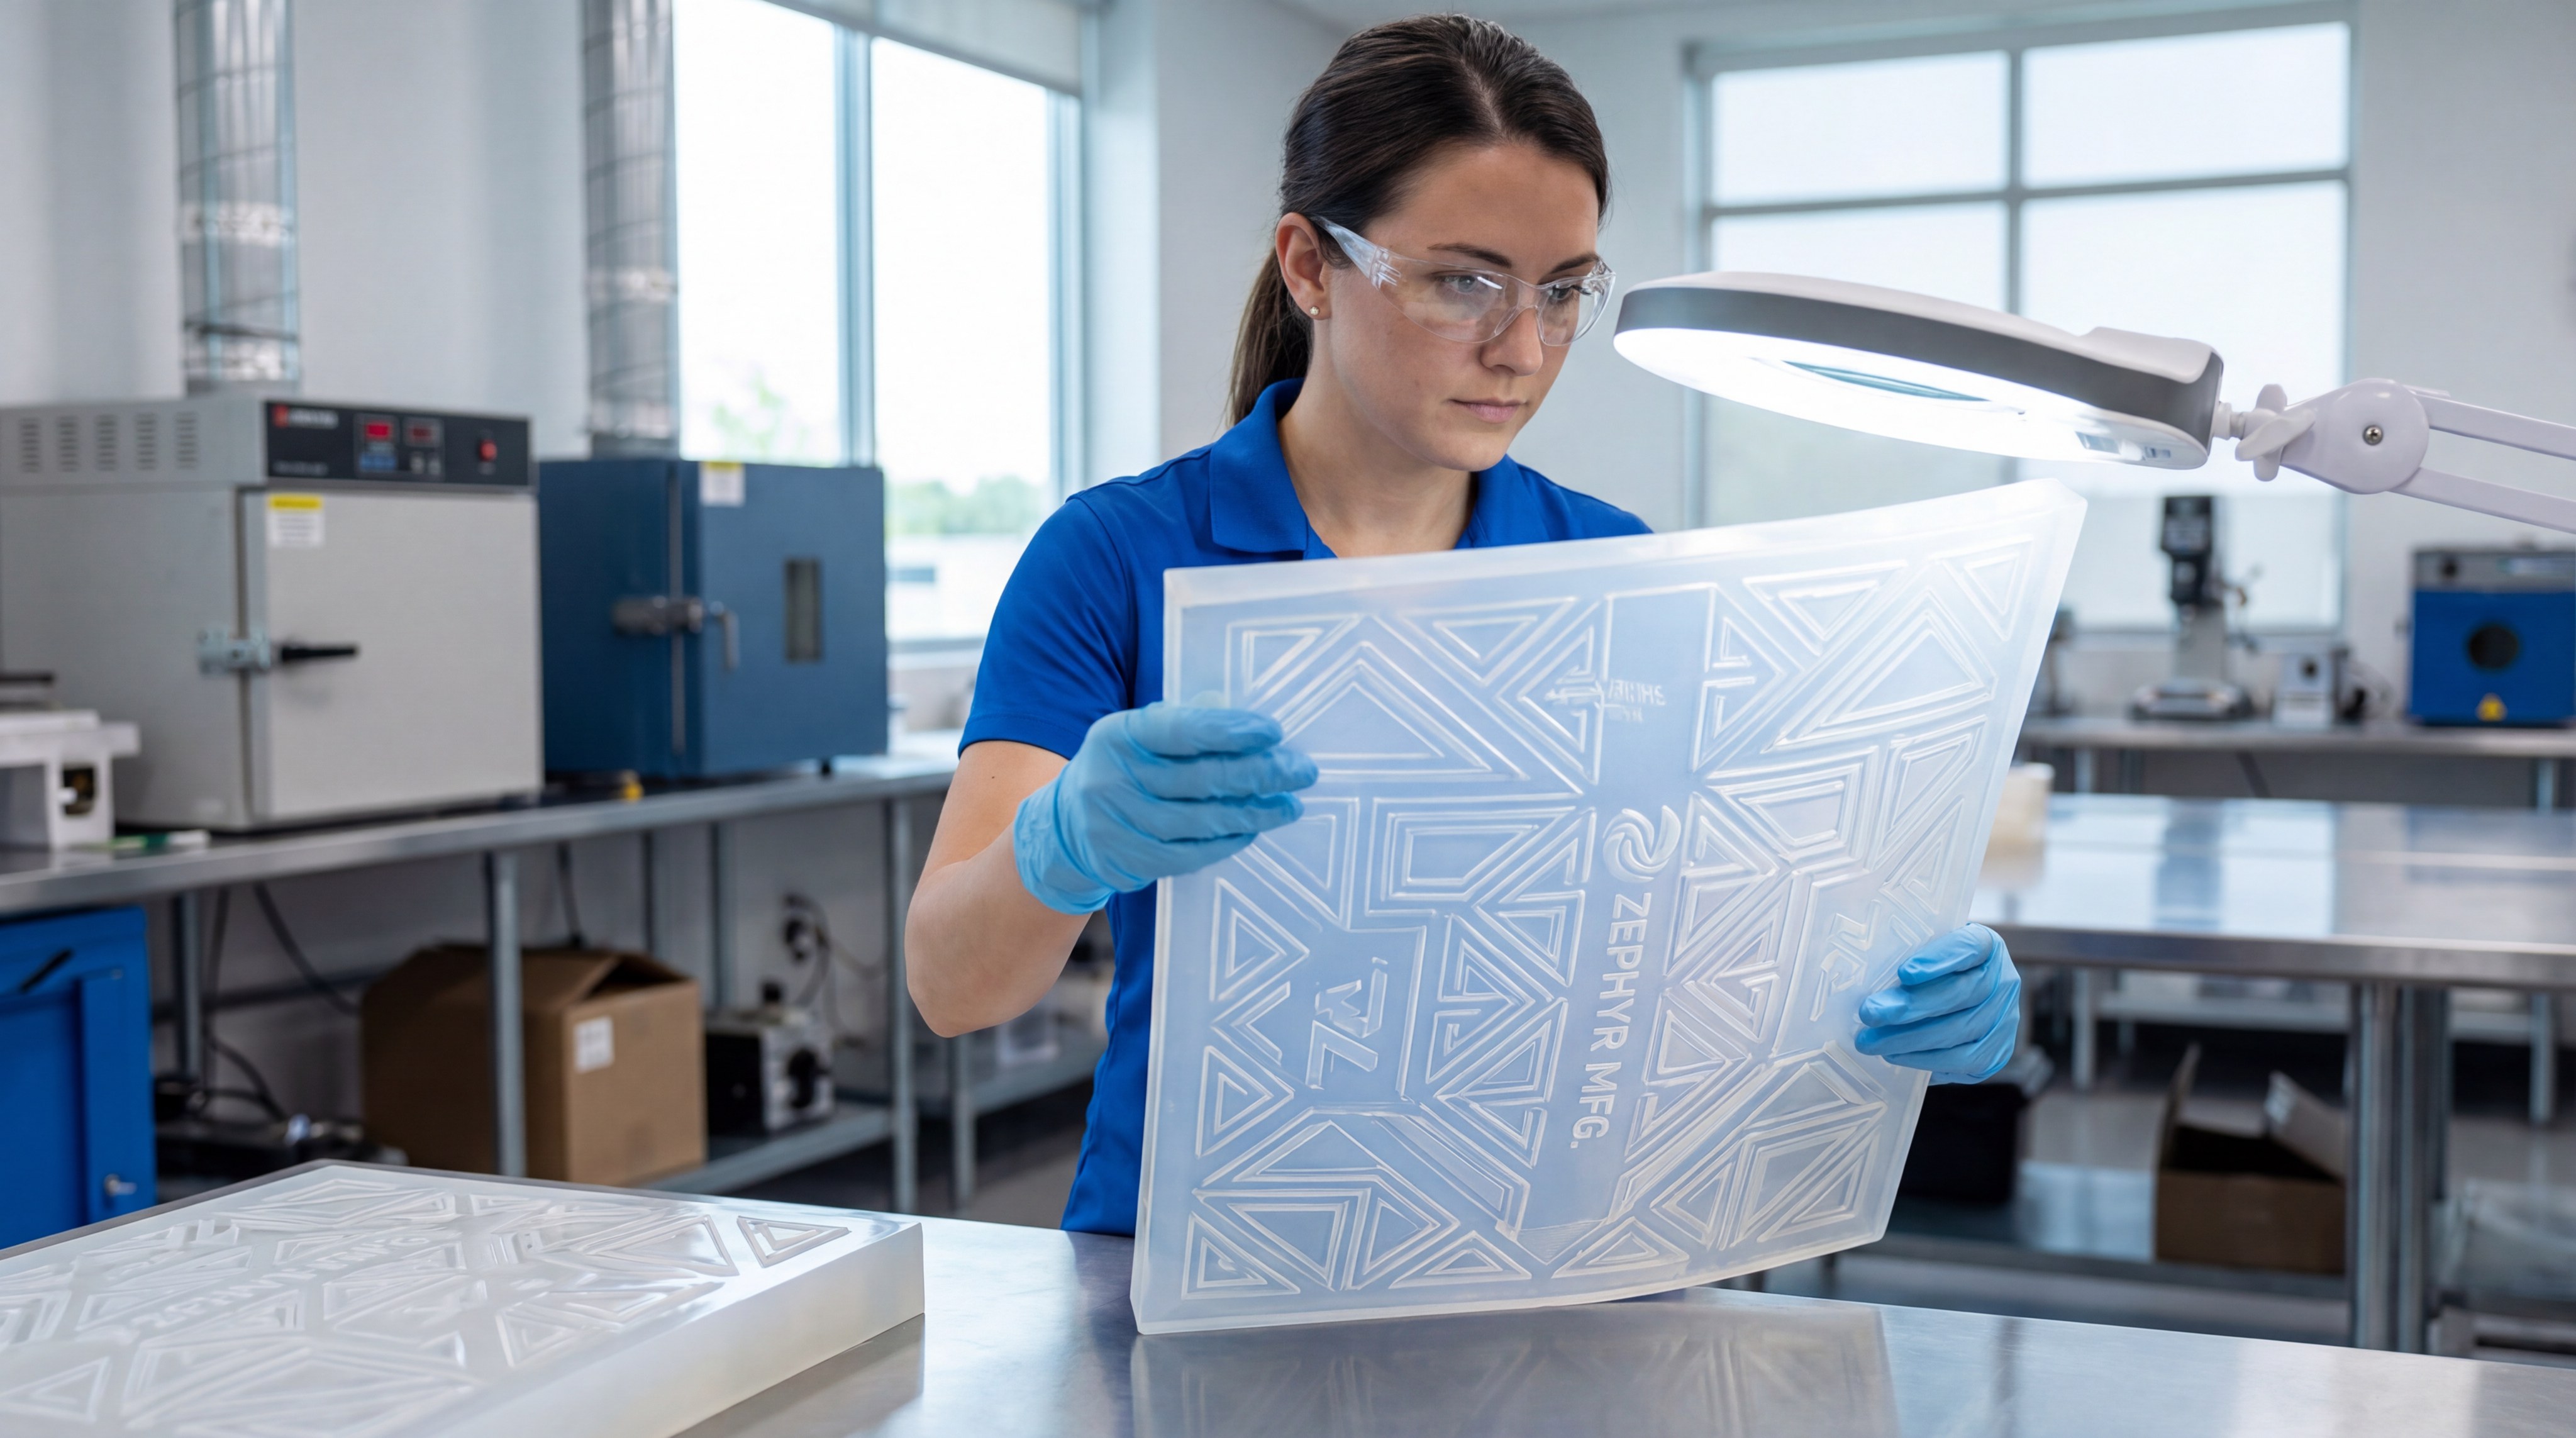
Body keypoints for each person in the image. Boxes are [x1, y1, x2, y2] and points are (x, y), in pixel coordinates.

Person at [906, 14, 2021, 1238]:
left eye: (1559, 292)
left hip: (1536, 1254)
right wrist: (1061, 846)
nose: (1522, 349)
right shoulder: (1116, 554)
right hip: (1196, 1258)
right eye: (1461, 283)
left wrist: (1893, 997)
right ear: (1307, 265)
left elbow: (1702, 966)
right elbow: (953, 987)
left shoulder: (1614, 572)